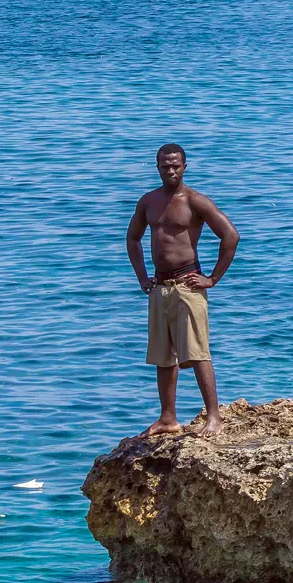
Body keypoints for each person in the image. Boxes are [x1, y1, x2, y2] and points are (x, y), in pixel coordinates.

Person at [126, 143, 239, 437]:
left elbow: (230, 236)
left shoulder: (195, 201)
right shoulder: (148, 201)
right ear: (157, 167)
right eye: (165, 165)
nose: (171, 170)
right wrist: (142, 277)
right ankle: (168, 418)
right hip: (160, 286)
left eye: (176, 165)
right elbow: (133, 239)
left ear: (185, 167)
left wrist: (212, 279)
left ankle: (214, 417)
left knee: (198, 352)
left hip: (188, 285)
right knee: (163, 356)